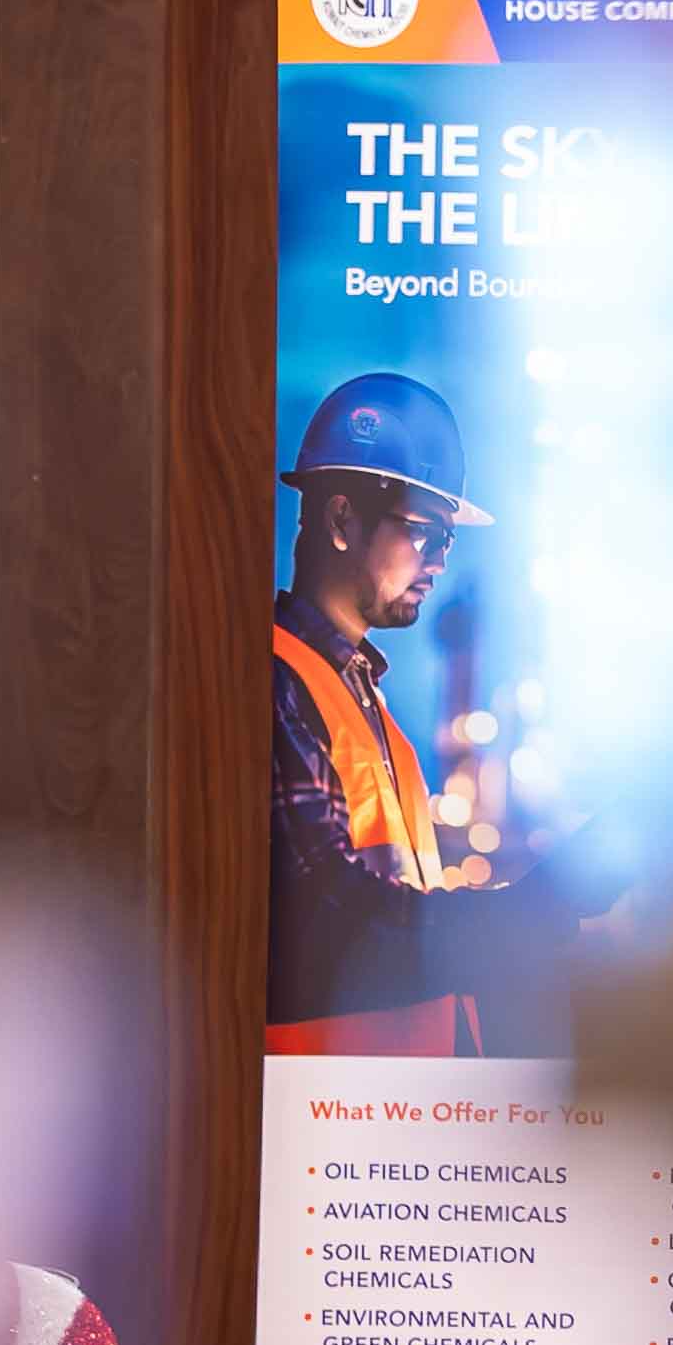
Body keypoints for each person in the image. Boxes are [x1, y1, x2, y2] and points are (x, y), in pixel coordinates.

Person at [264, 370, 568, 1054]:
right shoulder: (278, 685)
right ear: (341, 519)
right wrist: (506, 920)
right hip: (320, 1100)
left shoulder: (366, 705)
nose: (437, 563)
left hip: (394, 1098)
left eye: (447, 542)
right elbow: (324, 912)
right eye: (423, 532)